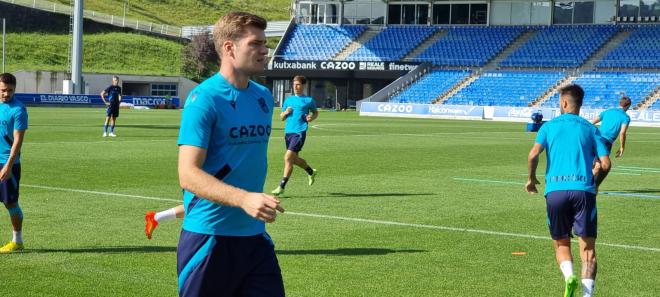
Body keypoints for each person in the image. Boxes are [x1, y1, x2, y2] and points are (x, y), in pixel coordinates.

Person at [176, 12, 285, 297]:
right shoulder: (205, 100)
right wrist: (244, 199)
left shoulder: (263, 98)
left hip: (255, 239)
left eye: (266, 43)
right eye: (256, 43)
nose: (265, 50)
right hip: (209, 239)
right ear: (229, 47)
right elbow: (188, 174)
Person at [526, 84, 611, 297]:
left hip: (555, 191)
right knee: (588, 250)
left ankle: (569, 276)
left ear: (564, 102)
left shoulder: (548, 127)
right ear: (579, 104)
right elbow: (606, 163)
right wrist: (596, 184)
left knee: (561, 243)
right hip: (583, 190)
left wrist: (531, 179)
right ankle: (587, 294)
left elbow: (533, 155)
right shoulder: (591, 129)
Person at [271, 76, 318, 196]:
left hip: (299, 132)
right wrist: (286, 112)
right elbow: (281, 117)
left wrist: (311, 118)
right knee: (293, 160)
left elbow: (315, 112)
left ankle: (282, 186)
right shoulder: (288, 100)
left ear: (303, 86)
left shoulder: (308, 100)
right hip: (288, 132)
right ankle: (310, 171)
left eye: (298, 84)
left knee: (287, 158)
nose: (295, 87)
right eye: (294, 84)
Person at [0, 73, 28, 253]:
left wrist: (8, 166)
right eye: (3, 90)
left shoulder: (18, 110)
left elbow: (18, 141)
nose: (6, 94)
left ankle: (17, 241)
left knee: (10, 204)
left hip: (7, 163)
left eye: (10, 90)